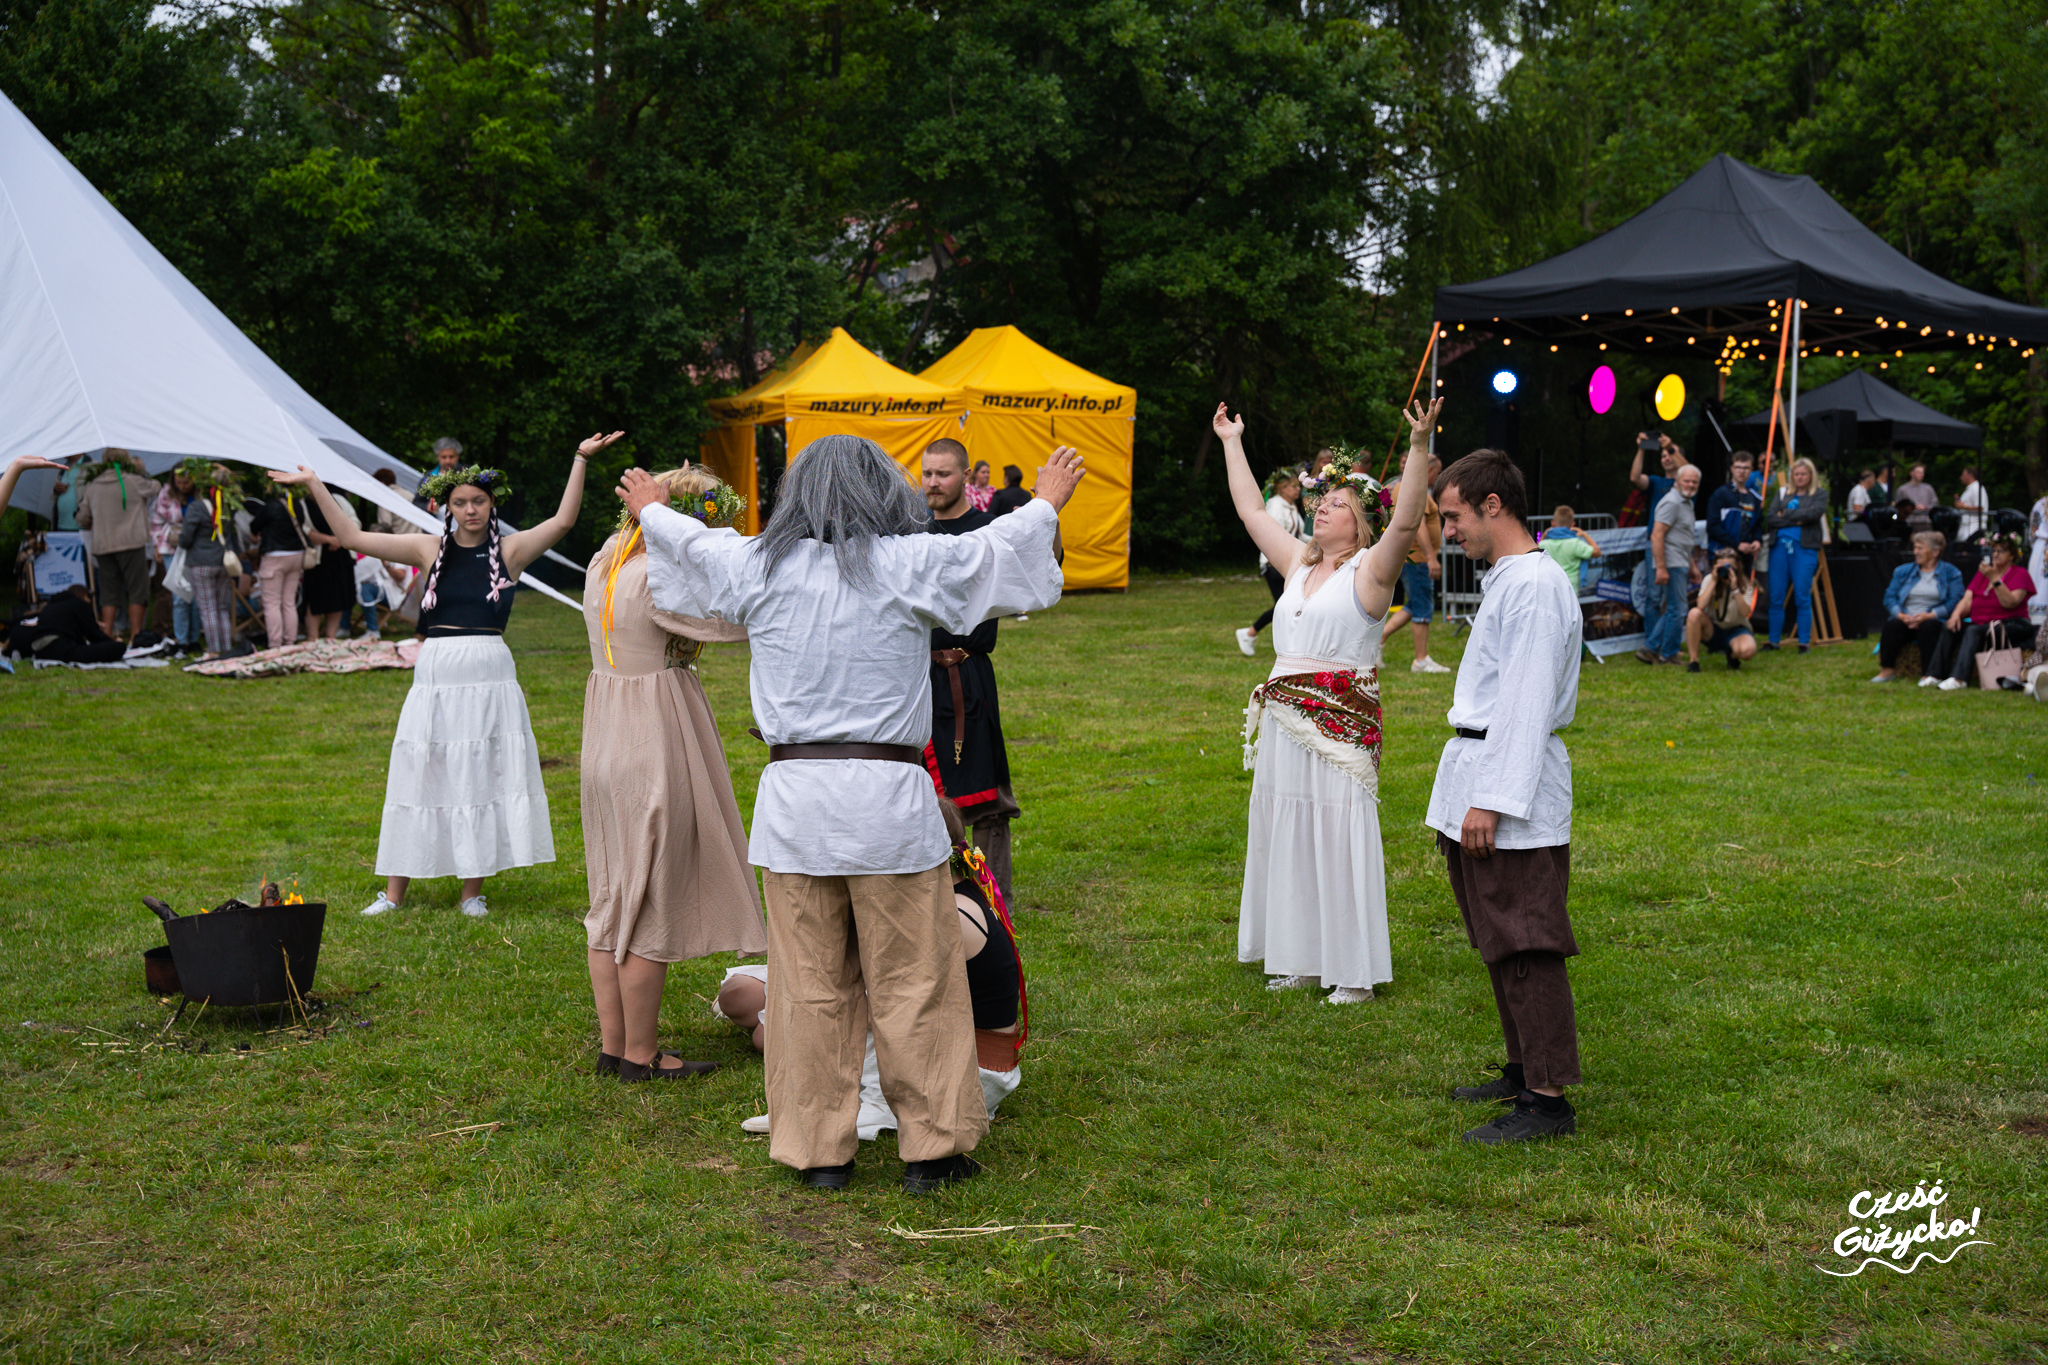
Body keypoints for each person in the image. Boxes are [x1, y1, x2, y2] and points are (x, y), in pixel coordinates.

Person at [625, 433, 1082, 1193]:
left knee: (806, 986)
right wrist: (1047, 502)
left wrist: (650, 511)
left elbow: (698, 551)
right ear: (884, 491)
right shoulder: (908, 566)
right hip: (887, 812)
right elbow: (998, 551)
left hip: (801, 812)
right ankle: (932, 1150)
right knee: (914, 978)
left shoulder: (763, 570)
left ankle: (818, 1150)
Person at [269, 433, 613, 918]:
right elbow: (351, 539)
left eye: (478, 501)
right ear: (445, 506)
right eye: (460, 502)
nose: (470, 510)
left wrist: (579, 458)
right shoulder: (428, 548)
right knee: (420, 771)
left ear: (492, 504)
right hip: (436, 674)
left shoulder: (511, 551)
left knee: (479, 774)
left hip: (489, 672)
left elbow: (564, 520)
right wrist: (313, 484)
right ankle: (393, 894)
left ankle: (472, 891)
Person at [1221, 399, 1443, 1007]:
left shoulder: (1371, 572)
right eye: (1322, 500)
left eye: (1338, 503)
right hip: (1285, 721)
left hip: (1341, 726)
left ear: (1362, 521)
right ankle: (1295, 955)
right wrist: (1231, 440)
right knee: (1288, 831)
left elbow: (1405, 524)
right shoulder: (1297, 562)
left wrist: (1418, 444)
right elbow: (1247, 509)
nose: (1323, 506)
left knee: (1337, 833)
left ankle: (1351, 972)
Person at [582, 465, 763, 1081]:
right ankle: (640, 1054)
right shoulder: (660, 576)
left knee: (612, 892)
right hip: (653, 725)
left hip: (605, 722)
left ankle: (615, 1047)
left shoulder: (606, 558)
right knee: (650, 892)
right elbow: (738, 619)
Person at [1428, 448, 1584, 1144]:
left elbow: (1523, 697)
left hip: (1509, 782)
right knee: (1499, 937)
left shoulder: (1537, 585)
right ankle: (1525, 1069)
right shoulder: (1508, 579)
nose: (1448, 530)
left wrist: (1492, 798)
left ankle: (1548, 1101)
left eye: (1453, 516)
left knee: (1527, 939)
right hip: (1479, 767)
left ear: (1494, 504)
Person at [717, 840, 1024, 1137]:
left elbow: (891, 1004)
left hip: (968, 1066)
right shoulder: (947, 894)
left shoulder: (944, 915)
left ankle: (848, 1106)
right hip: (940, 1035)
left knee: (789, 1022)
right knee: (743, 995)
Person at [920, 437, 1038, 907]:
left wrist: (1045, 516)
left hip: (968, 675)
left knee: (986, 798)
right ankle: (932, 895)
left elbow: (1041, 567)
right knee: (920, 792)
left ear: (966, 477)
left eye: (943, 474)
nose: (933, 483)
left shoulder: (988, 531)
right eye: (927, 473)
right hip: (917, 677)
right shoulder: (911, 534)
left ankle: (994, 901)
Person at [71, 450, 161, 643]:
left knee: (109, 594)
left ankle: (107, 634)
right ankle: (135, 636)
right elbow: (155, 487)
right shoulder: (134, 482)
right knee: (138, 590)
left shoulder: (93, 486)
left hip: (104, 546)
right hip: (132, 543)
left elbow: (82, 517)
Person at [1926, 534, 2037, 691]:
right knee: (1950, 627)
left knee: (1973, 631)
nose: (1996, 554)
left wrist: (1995, 579)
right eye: (1994, 550)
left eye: (2001, 551)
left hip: (2013, 624)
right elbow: (1967, 599)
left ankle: (1959, 678)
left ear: (2012, 555)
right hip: (1983, 623)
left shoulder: (2020, 574)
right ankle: (1935, 674)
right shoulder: (1982, 574)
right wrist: (1956, 615)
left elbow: (2011, 603)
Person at [1384, 455, 1451, 674]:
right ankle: (1420, 660)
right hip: (1418, 558)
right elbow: (1418, 525)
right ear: (1427, 469)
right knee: (1422, 607)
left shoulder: (1406, 487)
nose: (1438, 476)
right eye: (1437, 471)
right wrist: (1431, 558)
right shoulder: (1414, 488)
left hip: (1412, 557)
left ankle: (1378, 641)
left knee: (1415, 603)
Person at [1871, 531, 1964, 683]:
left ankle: (1928, 673)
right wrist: (1902, 616)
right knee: (1892, 624)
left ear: (1935, 552)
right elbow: (1889, 597)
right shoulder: (1903, 571)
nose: (1915, 552)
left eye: (1920, 548)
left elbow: (1954, 601)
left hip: (1934, 619)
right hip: (1906, 618)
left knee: (1929, 626)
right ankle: (1887, 670)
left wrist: (1929, 615)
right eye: (1915, 548)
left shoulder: (1951, 573)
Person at [1235, 468, 1309, 656]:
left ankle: (1251, 634)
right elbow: (1275, 537)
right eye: (1293, 486)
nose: (1298, 489)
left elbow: (1299, 535)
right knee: (1285, 606)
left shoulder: (1291, 506)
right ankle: (1250, 633)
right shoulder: (1276, 506)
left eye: (1298, 486)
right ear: (1281, 488)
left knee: (1290, 605)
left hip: (1289, 561)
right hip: (1274, 563)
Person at [178, 463, 246, 659]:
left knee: (207, 608)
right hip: (224, 562)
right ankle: (226, 648)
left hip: (200, 562)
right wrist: (228, 472)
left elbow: (186, 538)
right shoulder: (230, 506)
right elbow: (239, 491)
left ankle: (214, 650)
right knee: (221, 607)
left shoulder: (197, 507)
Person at [1637, 463, 1701, 664]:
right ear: (1677, 481)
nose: (1690, 485)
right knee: (1677, 609)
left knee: (1676, 608)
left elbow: (1682, 538)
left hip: (1680, 561)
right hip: (1671, 563)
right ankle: (1659, 650)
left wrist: (1692, 566)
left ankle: (1659, 649)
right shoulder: (1671, 502)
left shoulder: (1686, 502)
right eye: (1687, 481)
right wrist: (1661, 567)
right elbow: (1657, 535)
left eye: (1694, 482)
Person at [1764, 457, 1827, 652]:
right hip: (1779, 549)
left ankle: (1803, 642)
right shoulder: (1783, 493)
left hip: (1805, 548)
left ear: (1810, 476)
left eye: (1803, 474)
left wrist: (1787, 515)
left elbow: (1813, 515)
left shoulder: (1819, 494)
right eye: (1796, 474)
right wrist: (1797, 519)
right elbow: (1771, 518)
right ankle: (1773, 640)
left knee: (1802, 595)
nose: (1799, 477)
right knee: (1776, 595)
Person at [245, 478, 311, 648]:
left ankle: (275, 643)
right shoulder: (297, 504)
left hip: (275, 555)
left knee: (272, 602)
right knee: (289, 601)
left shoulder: (271, 506)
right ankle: (290, 640)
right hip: (296, 554)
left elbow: (254, 526)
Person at [1683, 549, 1758, 671]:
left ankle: (1732, 655)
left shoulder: (1746, 585)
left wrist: (1734, 589)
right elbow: (1700, 606)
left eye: (1729, 567)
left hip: (1736, 629)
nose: (1725, 571)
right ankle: (1693, 661)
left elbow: (1745, 612)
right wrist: (1714, 581)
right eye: (1721, 567)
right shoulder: (1709, 579)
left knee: (1747, 651)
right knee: (1693, 614)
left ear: (1737, 567)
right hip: (1714, 629)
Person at [149, 465, 199, 650]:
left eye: (186, 482)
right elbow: (156, 521)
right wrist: (156, 544)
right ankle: (182, 640)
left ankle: (194, 639)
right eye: (179, 482)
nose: (182, 486)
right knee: (179, 594)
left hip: (195, 546)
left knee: (195, 594)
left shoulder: (200, 493)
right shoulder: (167, 492)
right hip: (171, 546)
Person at [300, 484, 360, 639]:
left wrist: (340, 540)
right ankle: (312, 637)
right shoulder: (303, 504)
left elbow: (354, 521)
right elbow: (305, 530)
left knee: (337, 597)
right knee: (315, 597)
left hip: (340, 556)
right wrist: (329, 540)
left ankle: (330, 636)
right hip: (319, 559)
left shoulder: (338, 499)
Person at [20, 584, 126, 663]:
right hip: (61, 649)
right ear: (85, 595)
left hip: (40, 651)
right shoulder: (79, 605)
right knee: (118, 648)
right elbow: (94, 635)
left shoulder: (50, 607)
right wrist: (112, 643)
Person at [1705, 453, 1765, 573]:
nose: (1741, 471)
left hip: (1746, 556)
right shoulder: (1720, 494)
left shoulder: (1755, 498)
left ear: (1752, 470)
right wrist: (1736, 544)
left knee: (1743, 591)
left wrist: (1757, 540)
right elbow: (1712, 526)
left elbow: (1758, 525)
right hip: (1722, 555)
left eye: (1746, 468)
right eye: (1738, 467)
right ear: (1731, 469)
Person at [1538, 505, 1600, 591]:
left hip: (1549, 589)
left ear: (1553, 523)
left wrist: (1544, 534)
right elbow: (1597, 552)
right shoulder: (1576, 544)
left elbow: (1535, 552)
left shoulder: (1544, 544)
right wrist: (1584, 534)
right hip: (1570, 590)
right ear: (1572, 524)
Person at [415, 438, 463, 512]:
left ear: (458, 456)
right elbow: (416, 503)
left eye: (451, 457)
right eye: (444, 457)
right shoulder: (429, 477)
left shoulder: (466, 475)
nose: (448, 461)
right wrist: (427, 507)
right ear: (438, 457)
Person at [1898, 463, 1937, 531]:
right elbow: (1898, 507)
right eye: (1918, 472)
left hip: (1925, 523)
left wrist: (1925, 507)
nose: (1921, 475)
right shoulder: (1902, 490)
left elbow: (1935, 503)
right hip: (1909, 523)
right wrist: (1911, 507)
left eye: (1922, 473)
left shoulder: (1928, 488)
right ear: (1911, 473)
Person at [1955, 466, 1989, 543]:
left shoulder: (1977, 488)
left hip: (1974, 527)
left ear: (1970, 475)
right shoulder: (1970, 489)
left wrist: (1963, 506)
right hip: (1966, 526)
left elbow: (1981, 507)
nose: (1961, 477)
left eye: (1963, 474)